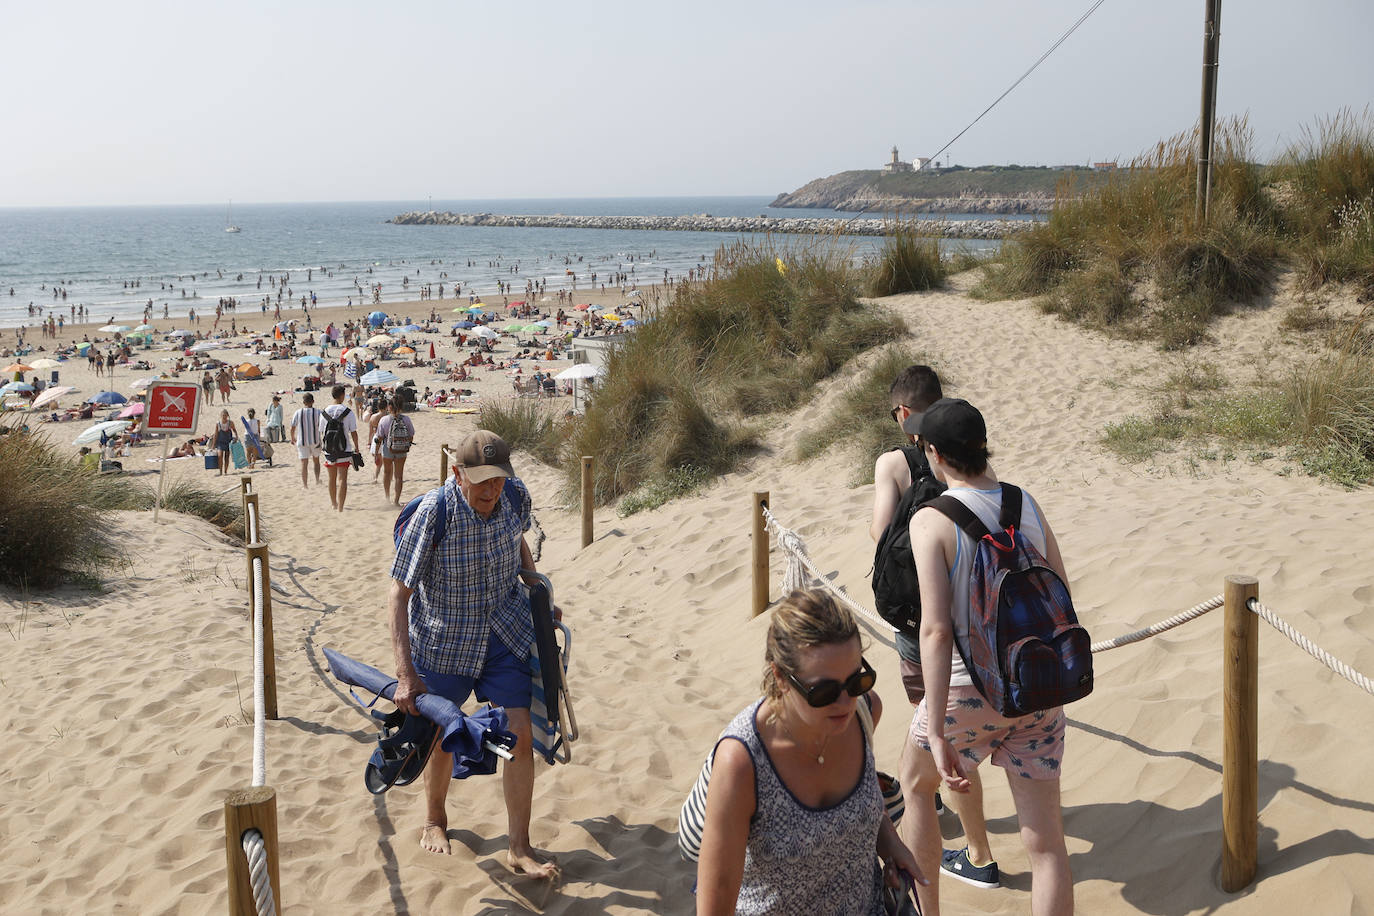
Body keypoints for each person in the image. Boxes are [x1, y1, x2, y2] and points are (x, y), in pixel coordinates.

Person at [907, 399, 1073, 915]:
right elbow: (1062, 591)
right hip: (1036, 688)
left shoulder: (930, 521)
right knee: (1046, 845)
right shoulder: (1025, 504)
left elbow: (935, 631)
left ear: (934, 454)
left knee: (915, 789)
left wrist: (935, 731)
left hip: (963, 692)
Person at [388, 430, 558, 877]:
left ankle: (519, 847)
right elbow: (398, 595)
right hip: (445, 641)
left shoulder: (515, 496)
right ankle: (435, 818)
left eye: (498, 480)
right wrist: (405, 674)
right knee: (444, 734)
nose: (491, 490)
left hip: (503, 632)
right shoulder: (434, 514)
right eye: (481, 481)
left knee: (519, 735)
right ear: (456, 473)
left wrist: (533, 584)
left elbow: (517, 538)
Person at [696, 589, 924, 914]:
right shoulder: (743, 762)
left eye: (857, 680)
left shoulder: (863, 714)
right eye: (825, 691)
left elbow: (866, 795)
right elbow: (715, 899)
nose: (846, 702)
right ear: (781, 677)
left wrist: (890, 843)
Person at [870, 365, 998, 890]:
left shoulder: (894, 461)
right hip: (987, 630)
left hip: (923, 623)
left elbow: (880, 536)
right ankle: (956, 812)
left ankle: (979, 852)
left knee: (941, 736)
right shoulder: (973, 462)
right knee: (949, 741)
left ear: (905, 415)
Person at [318, 384, 360, 511]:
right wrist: (357, 447)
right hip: (344, 449)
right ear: (342, 395)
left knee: (332, 479)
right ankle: (341, 507)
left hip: (329, 449)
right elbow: (353, 432)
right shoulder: (347, 412)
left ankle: (333, 504)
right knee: (342, 479)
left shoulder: (324, 412)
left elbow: (322, 431)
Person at [376, 397, 414, 506]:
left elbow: (379, 437)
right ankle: (396, 501)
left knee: (387, 473)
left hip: (387, 449)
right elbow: (411, 435)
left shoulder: (384, 420)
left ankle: (387, 497)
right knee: (399, 476)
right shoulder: (406, 419)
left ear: (389, 407)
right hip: (401, 450)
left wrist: (377, 452)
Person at [290, 392, 323, 488]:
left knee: (304, 464)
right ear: (313, 401)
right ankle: (317, 480)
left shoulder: (298, 412)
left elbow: (292, 427)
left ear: (303, 402)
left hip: (302, 441)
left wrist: (292, 438)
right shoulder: (318, 412)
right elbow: (322, 427)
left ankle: (305, 485)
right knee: (316, 461)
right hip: (315, 440)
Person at [212, 409, 237, 476]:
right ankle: (220, 471)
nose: (224, 417)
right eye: (223, 415)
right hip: (220, 442)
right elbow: (216, 434)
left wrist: (236, 437)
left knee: (227, 457)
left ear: (227, 416)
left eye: (225, 415)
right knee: (220, 456)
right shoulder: (218, 423)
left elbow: (234, 430)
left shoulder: (230, 423)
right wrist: (213, 445)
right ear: (221, 416)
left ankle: (225, 471)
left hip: (228, 441)